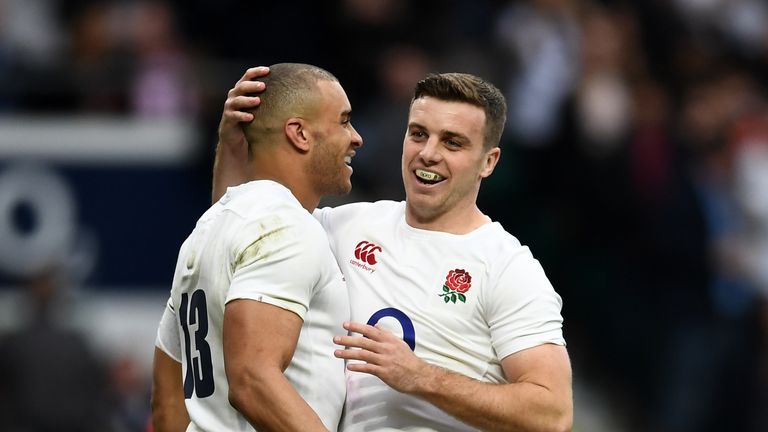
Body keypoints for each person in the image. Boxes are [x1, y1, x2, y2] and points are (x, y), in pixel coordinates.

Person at [216, 68, 572, 432]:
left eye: (452, 142)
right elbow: (240, 234)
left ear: (488, 161)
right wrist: (232, 147)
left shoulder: (508, 267)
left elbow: (552, 414)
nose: (428, 153)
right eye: (418, 134)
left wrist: (420, 376)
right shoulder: (346, 226)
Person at [151, 63, 363, 432]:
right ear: (299, 134)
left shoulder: (206, 230)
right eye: (343, 121)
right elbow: (251, 380)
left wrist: (228, 149)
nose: (356, 137)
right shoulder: (286, 225)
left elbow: (167, 396)